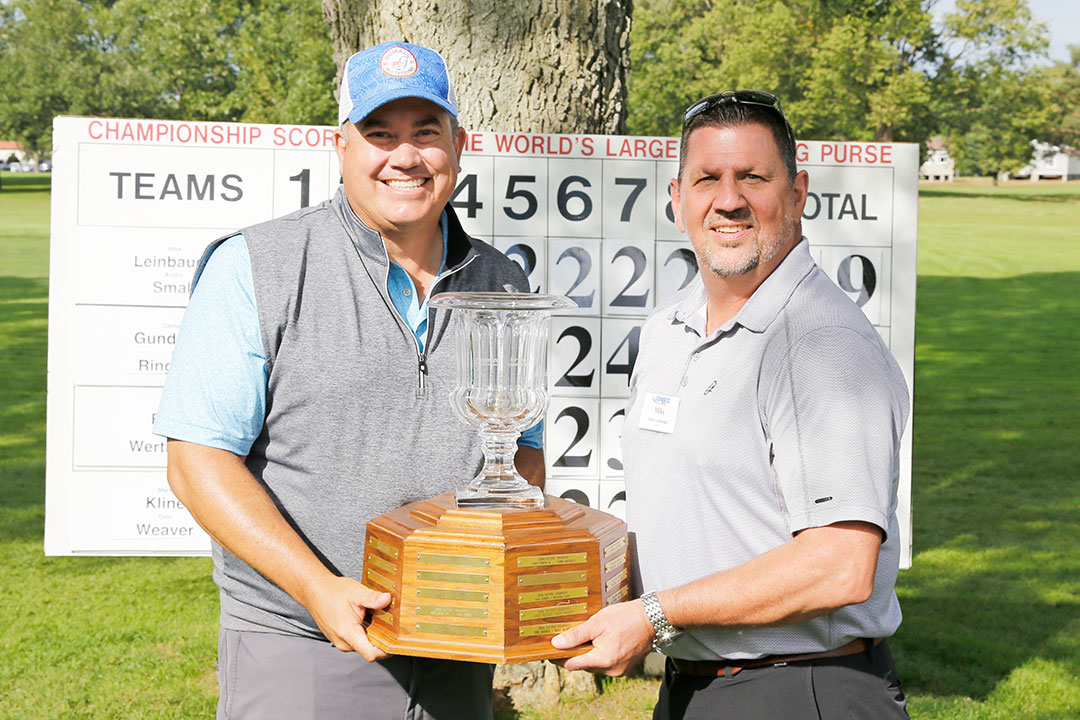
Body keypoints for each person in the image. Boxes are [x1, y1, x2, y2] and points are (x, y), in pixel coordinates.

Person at [153, 41, 543, 720]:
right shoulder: (257, 265)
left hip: (455, 655)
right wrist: (317, 588)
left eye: (427, 132)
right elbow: (196, 463)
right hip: (302, 649)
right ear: (341, 146)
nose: (405, 156)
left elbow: (522, 450)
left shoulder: (501, 282)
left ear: (460, 144)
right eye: (379, 134)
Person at [550, 90, 911, 719]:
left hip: (802, 690)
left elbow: (840, 565)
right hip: (696, 685)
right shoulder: (668, 330)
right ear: (677, 198)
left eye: (753, 177)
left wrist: (654, 614)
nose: (728, 199)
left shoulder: (820, 343)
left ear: (798, 193)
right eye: (707, 179)